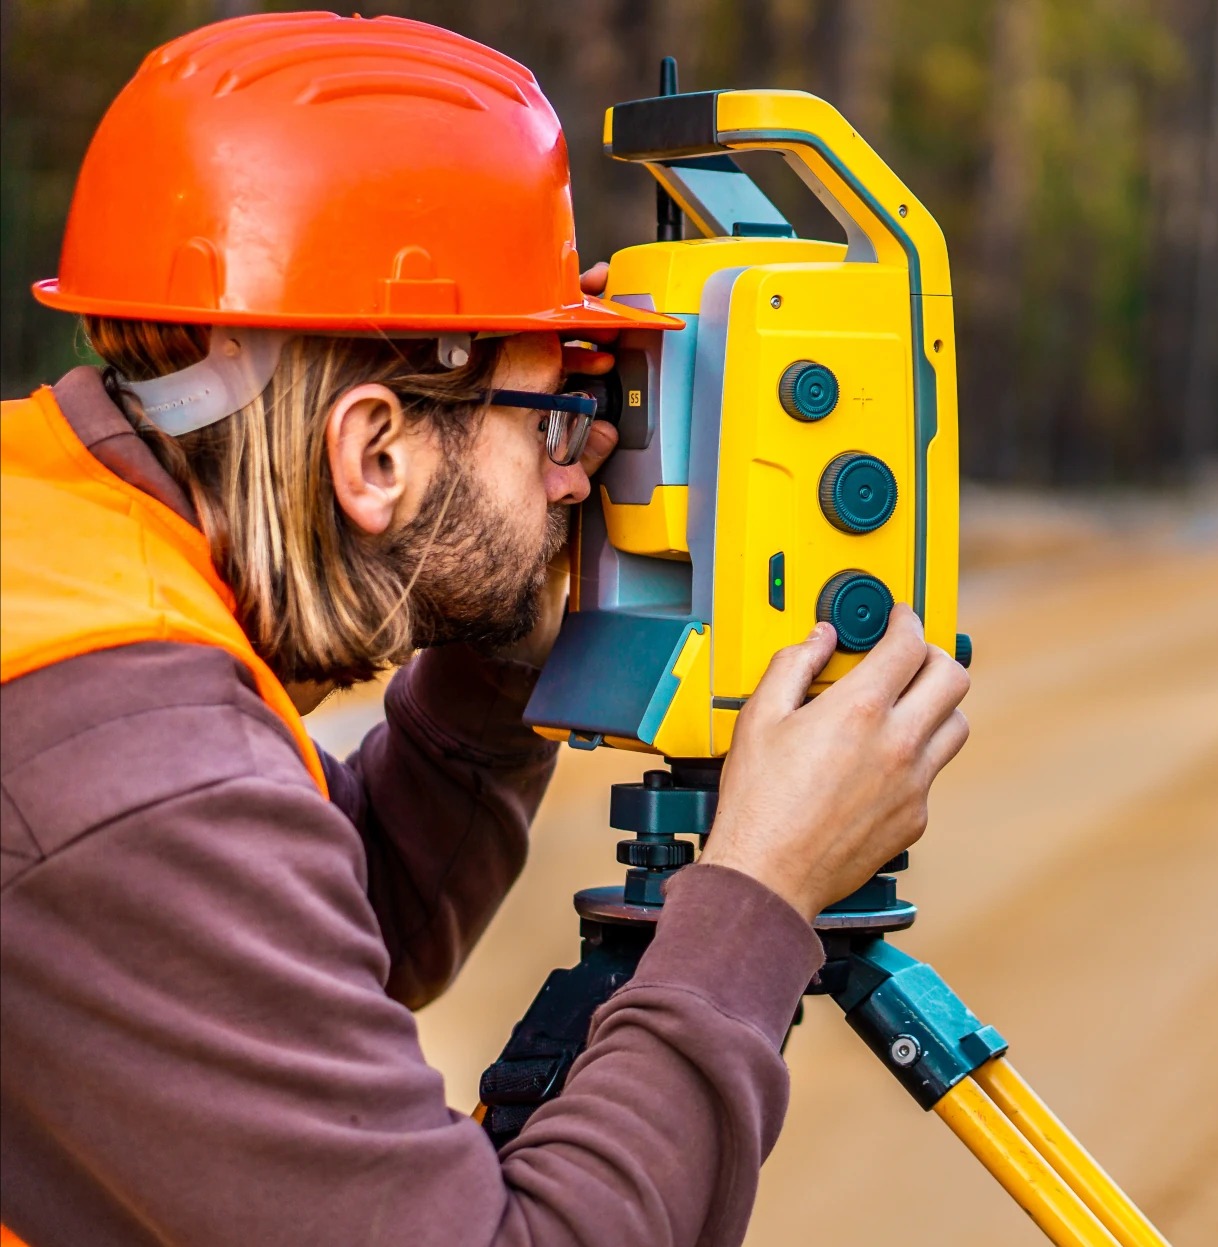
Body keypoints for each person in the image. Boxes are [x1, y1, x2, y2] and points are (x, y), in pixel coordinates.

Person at [0, 12, 970, 1247]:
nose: (584, 475)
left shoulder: (53, 557)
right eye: (557, 411)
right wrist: (758, 894)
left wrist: (504, 642)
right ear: (376, 449)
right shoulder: (139, 785)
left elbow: (303, 966)